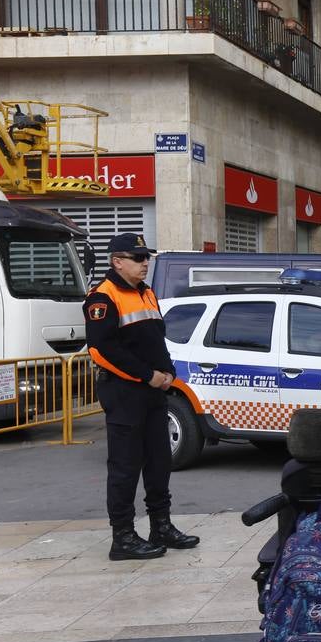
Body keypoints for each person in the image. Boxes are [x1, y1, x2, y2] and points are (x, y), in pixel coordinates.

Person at [85, 233, 200, 561]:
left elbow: (155, 340)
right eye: (137, 258)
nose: (144, 262)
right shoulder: (103, 298)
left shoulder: (146, 293)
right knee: (124, 467)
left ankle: (160, 525)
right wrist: (148, 376)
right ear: (116, 261)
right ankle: (122, 537)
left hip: (153, 392)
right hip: (125, 392)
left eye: (146, 257)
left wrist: (168, 373)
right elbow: (101, 350)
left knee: (160, 462)